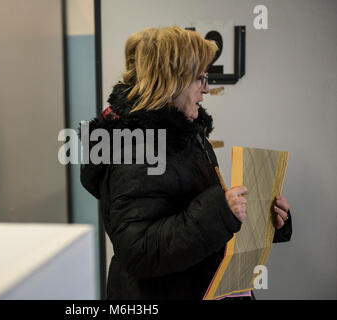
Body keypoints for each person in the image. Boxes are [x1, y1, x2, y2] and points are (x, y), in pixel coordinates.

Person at [80, 26, 292, 300]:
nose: (207, 88)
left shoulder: (185, 132)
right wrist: (221, 212)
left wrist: (263, 219)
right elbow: (138, 250)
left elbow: (192, 214)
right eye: (200, 77)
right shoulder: (134, 147)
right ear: (171, 81)